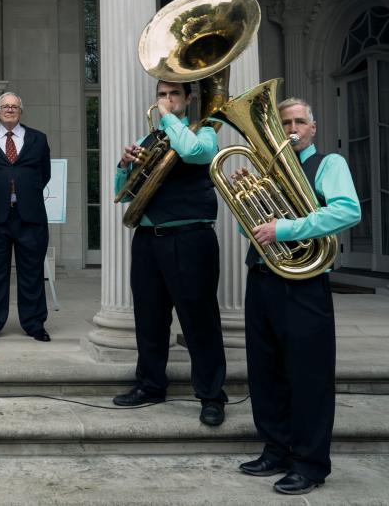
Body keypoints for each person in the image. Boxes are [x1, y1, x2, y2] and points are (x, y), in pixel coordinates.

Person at [236, 98, 360, 495]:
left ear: (313, 128)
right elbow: (250, 230)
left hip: (304, 282)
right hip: (262, 278)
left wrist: (284, 229)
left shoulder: (329, 164)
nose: (291, 128)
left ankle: (309, 464)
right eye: (285, 122)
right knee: (265, 371)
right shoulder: (268, 169)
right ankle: (275, 450)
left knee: (309, 376)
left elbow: (347, 211)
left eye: (298, 122)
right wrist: (249, 202)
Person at [111, 80, 229, 427]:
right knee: (149, 318)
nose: (166, 101)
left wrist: (169, 120)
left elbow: (193, 153)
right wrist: (124, 164)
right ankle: (150, 385)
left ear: (188, 99)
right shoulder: (151, 139)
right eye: (161, 95)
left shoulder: (205, 132)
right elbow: (125, 193)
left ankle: (211, 395)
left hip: (190, 237)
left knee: (199, 321)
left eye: (173, 94)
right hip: (149, 238)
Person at [0, 92, 51, 343]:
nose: (9, 110)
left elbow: (44, 175)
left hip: (31, 217)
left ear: (21, 111)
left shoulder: (38, 139)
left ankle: (34, 323)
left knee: (32, 272)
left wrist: (23, 193)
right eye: (5, 106)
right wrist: (2, 195)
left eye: (14, 106)